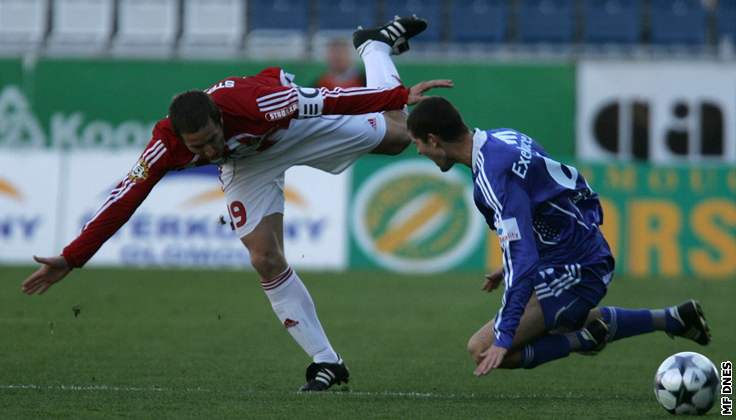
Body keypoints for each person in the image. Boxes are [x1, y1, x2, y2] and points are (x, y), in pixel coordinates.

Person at [21, 16, 451, 391]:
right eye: (198, 148)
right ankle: (326, 361)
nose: (206, 152)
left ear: (219, 118)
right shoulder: (166, 144)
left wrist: (398, 96)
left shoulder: (262, 105)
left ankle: (372, 44)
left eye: (210, 140)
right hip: (245, 165)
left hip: (288, 131)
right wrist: (73, 257)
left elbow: (330, 99)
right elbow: (124, 196)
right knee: (264, 257)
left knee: (398, 137)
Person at [406, 97, 711, 376]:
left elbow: (522, 257)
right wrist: (513, 263)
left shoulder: (492, 176)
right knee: (567, 315)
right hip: (572, 251)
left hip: (578, 266)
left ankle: (583, 339)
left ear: (433, 140)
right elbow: (544, 200)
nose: (419, 151)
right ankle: (673, 318)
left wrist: (505, 336)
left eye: (418, 143)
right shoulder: (503, 137)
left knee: (483, 348)